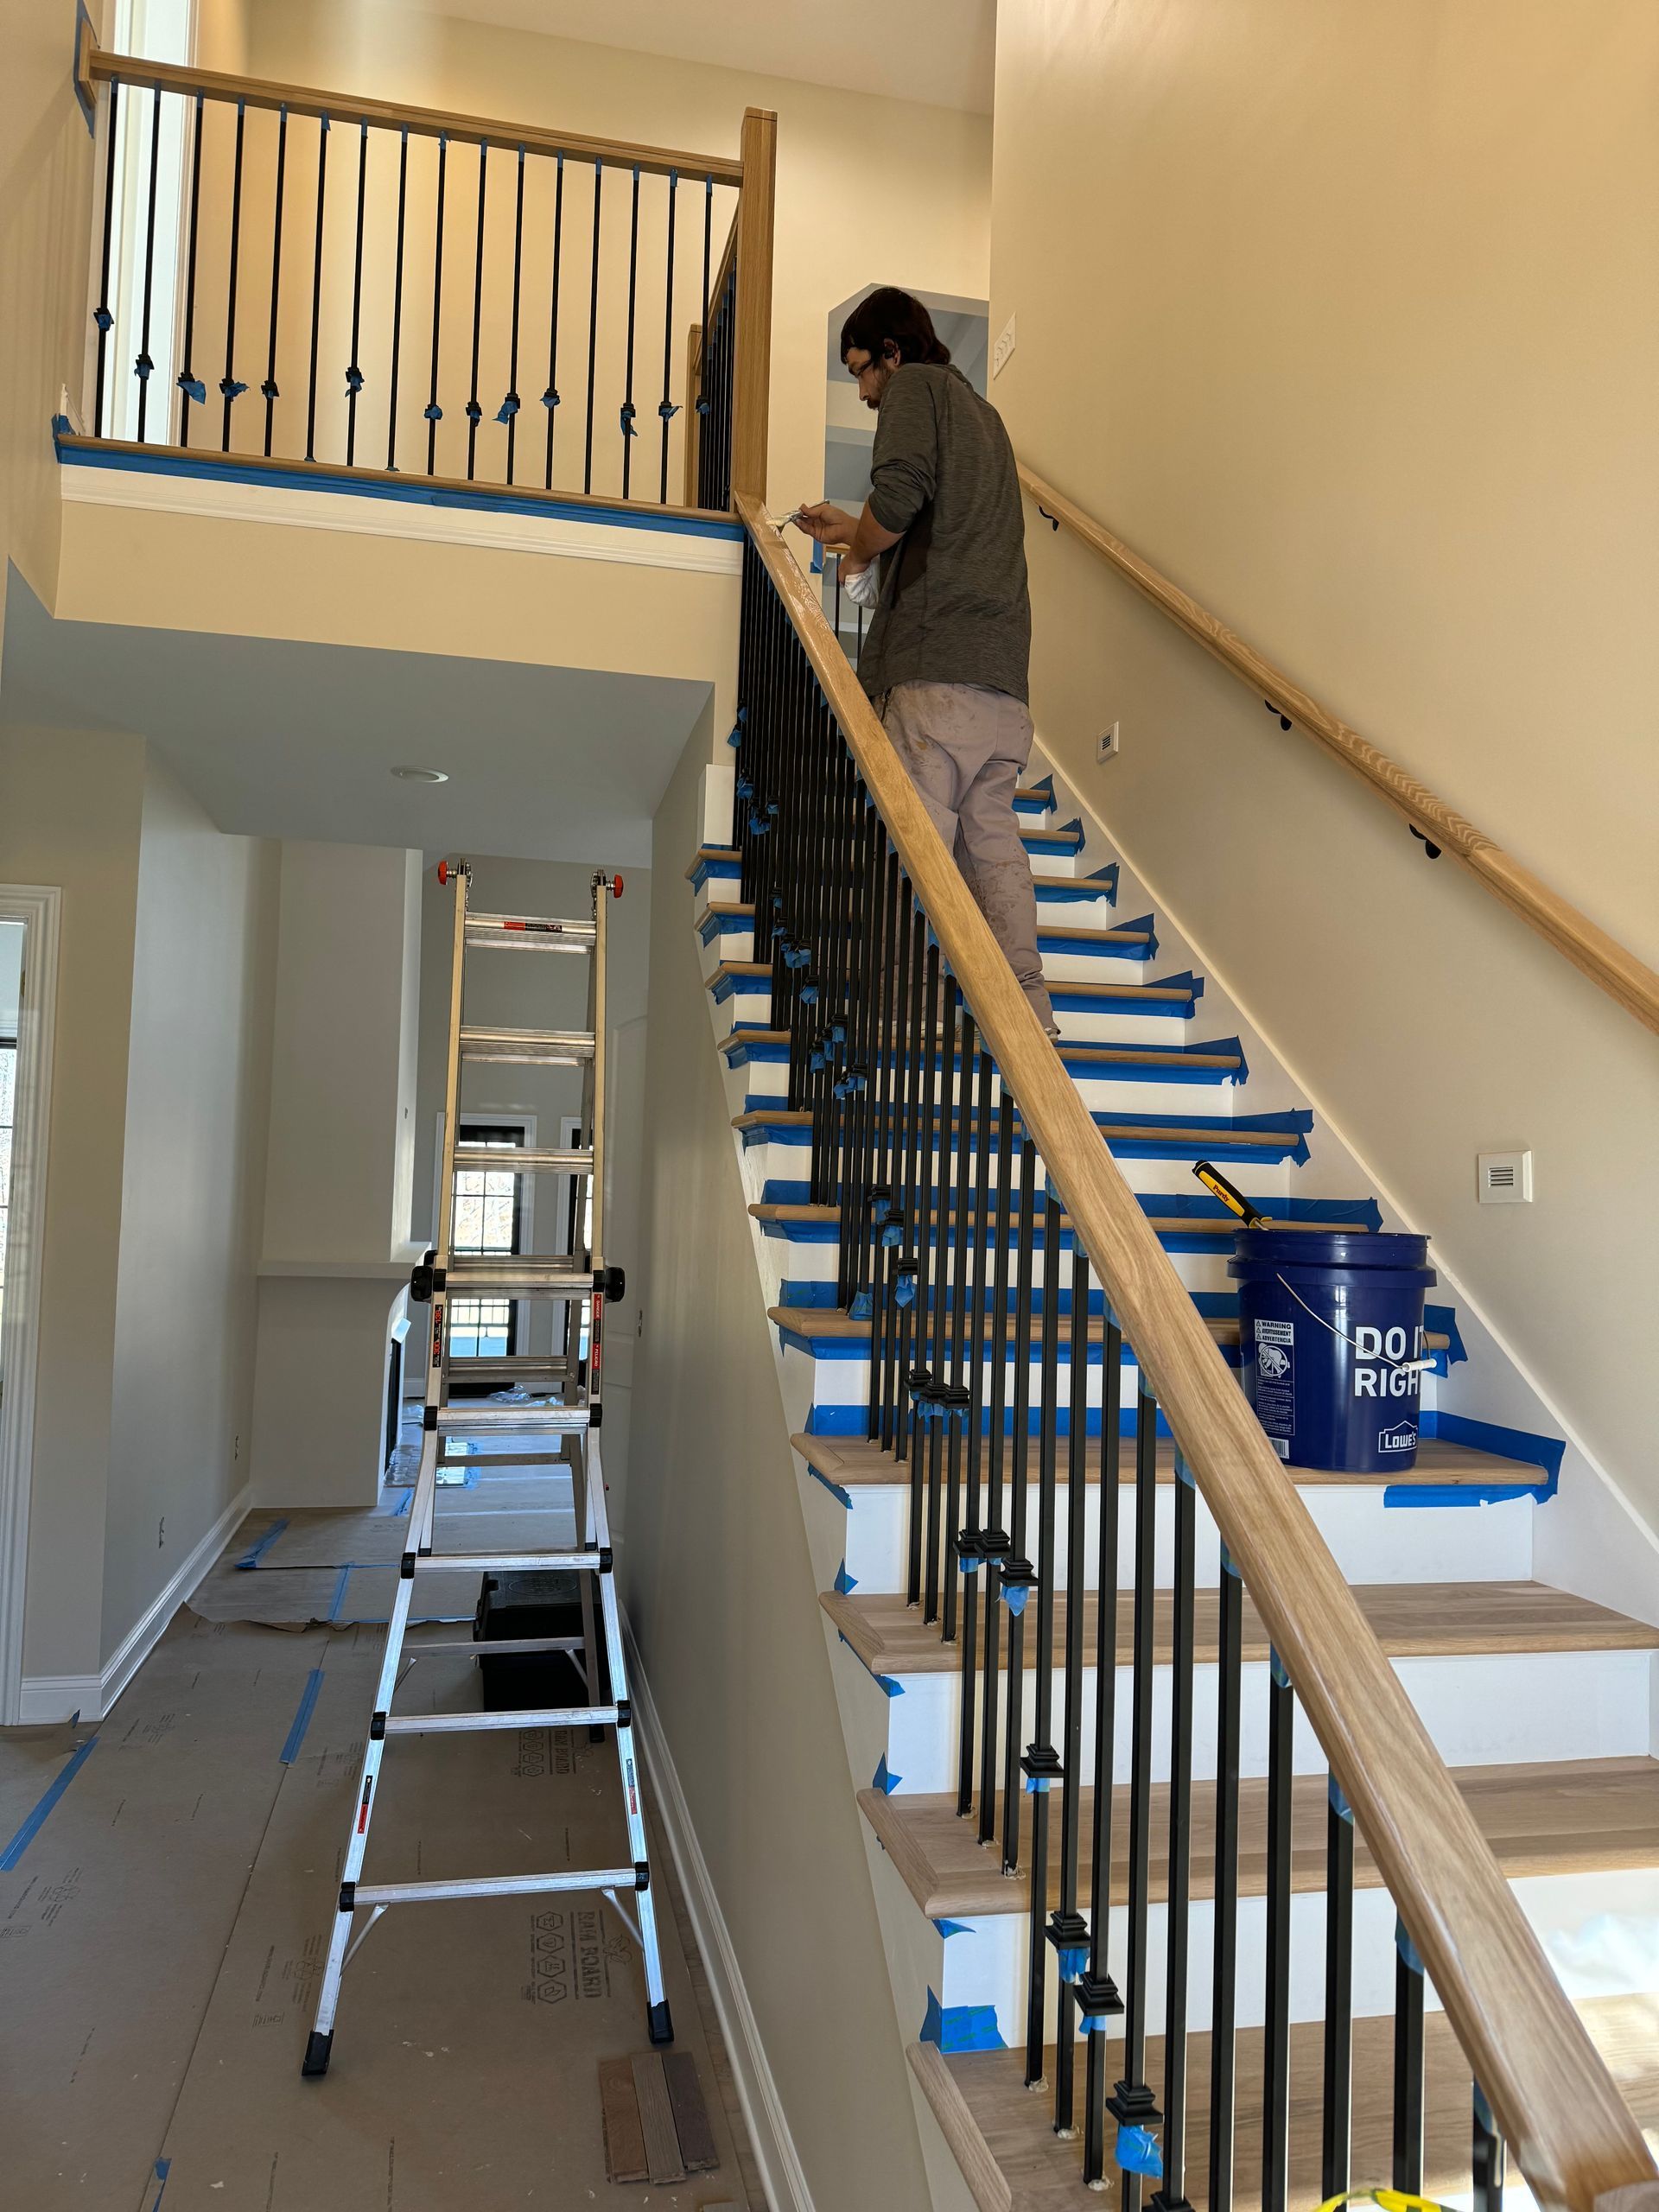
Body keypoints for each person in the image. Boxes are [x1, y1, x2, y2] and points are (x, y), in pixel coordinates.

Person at [793, 287, 1056, 1037]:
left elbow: (899, 497)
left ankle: (904, 1022)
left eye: (862, 372)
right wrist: (853, 531)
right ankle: (1028, 1016)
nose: (865, 391)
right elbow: (925, 521)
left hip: (934, 670)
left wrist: (862, 539)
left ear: (892, 352)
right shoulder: (985, 417)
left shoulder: (915, 388)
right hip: (1001, 682)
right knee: (993, 846)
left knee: (913, 856)